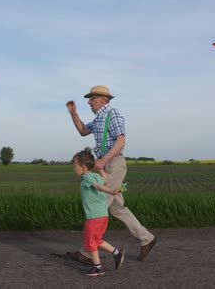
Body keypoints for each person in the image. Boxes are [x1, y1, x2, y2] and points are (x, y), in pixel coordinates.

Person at [66, 85, 157, 264]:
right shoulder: (99, 118)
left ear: (102, 99)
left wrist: (103, 160)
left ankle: (86, 252)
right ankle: (147, 238)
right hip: (105, 166)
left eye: (92, 98)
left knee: (97, 204)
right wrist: (73, 113)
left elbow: (121, 140)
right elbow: (83, 131)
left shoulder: (112, 114)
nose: (89, 102)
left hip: (113, 165)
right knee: (117, 208)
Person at [73, 147, 125, 277]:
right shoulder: (95, 175)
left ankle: (98, 267)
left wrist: (111, 192)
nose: (74, 168)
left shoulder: (86, 178)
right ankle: (116, 252)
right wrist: (101, 170)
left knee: (90, 241)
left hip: (94, 217)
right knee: (96, 240)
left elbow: (98, 186)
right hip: (102, 215)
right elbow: (106, 181)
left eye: (75, 166)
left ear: (84, 168)